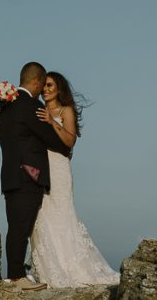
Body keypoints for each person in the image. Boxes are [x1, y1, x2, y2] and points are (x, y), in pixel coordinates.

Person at [30, 71, 119, 286]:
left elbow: (70, 141)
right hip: (40, 167)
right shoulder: (37, 110)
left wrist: (52, 122)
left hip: (59, 168)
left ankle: (71, 266)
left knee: (62, 213)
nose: (46, 89)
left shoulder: (65, 110)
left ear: (59, 88)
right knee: (41, 215)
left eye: (50, 85)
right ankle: (49, 267)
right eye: (44, 85)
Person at [0, 62, 73, 291]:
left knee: (15, 226)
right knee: (21, 227)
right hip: (28, 176)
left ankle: (13, 275)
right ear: (37, 82)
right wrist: (65, 148)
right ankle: (17, 276)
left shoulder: (5, 106)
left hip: (9, 175)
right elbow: (50, 138)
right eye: (42, 84)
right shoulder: (30, 106)